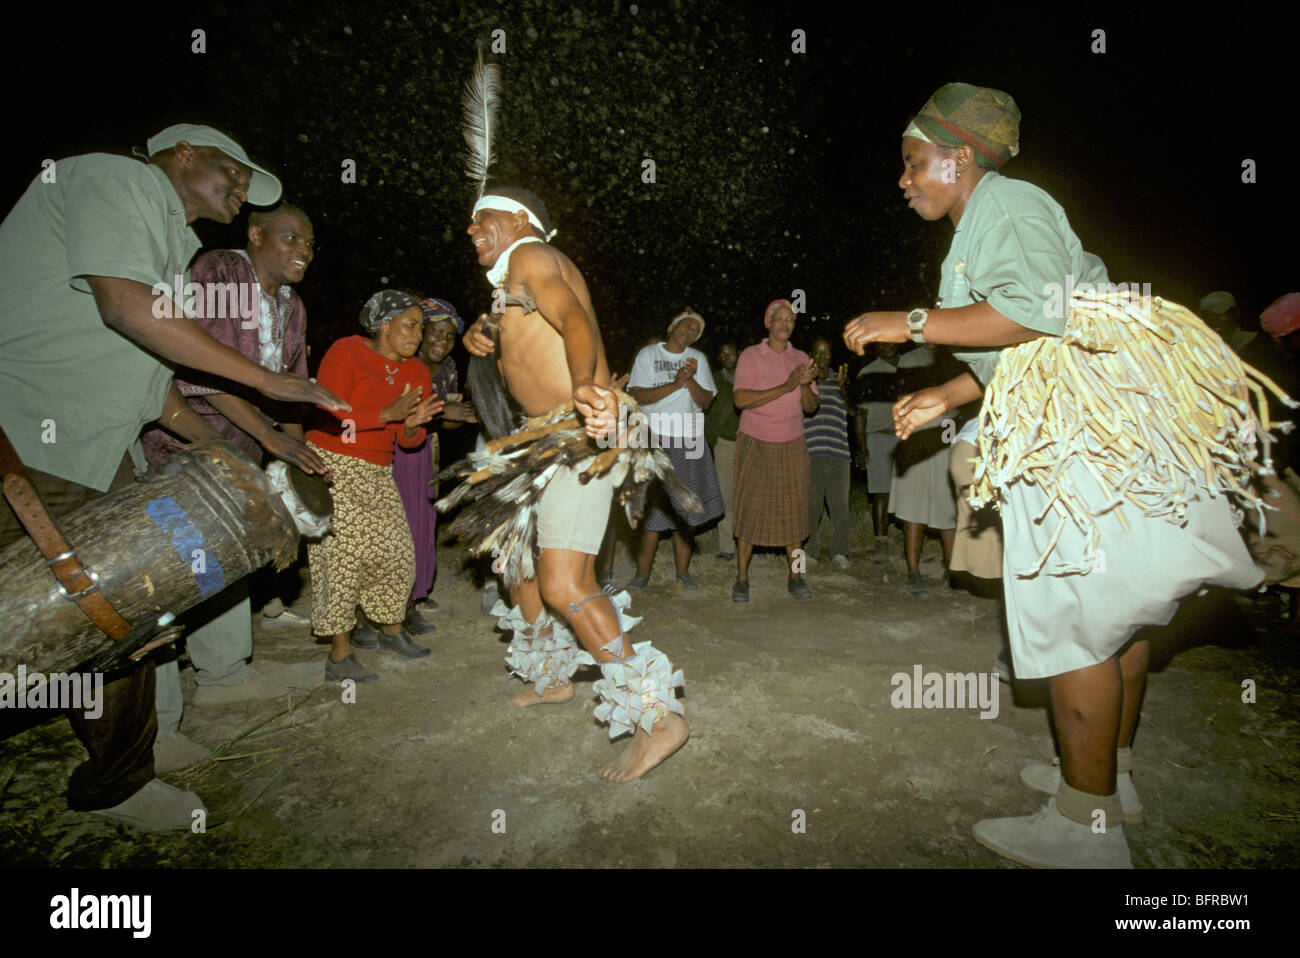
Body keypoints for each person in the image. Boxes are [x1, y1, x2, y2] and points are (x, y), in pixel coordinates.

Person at [843, 82, 1262, 867]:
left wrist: (912, 322)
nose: (902, 180)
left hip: (1074, 438)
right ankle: (1113, 781)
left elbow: (1038, 313)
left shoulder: (1007, 204)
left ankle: (1085, 827)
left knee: (1073, 622)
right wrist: (948, 388)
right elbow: (1029, 340)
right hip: (1095, 417)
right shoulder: (998, 216)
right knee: (1118, 617)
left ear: (957, 157)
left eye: (911, 162)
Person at [0, 123, 345, 831]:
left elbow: (152, 377)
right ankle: (121, 778)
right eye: (235, 173)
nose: (242, 191)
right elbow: (125, 308)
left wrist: (228, 449)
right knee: (89, 609)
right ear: (183, 154)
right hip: (26, 432)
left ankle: (133, 758)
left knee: (131, 599)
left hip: (94, 445)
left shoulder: (173, 243)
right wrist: (271, 386)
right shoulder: (112, 177)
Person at [462, 185, 689, 782]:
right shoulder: (513, 279)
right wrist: (481, 333)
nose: (471, 230)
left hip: (577, 432)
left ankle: (656, 718)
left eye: (482, 219)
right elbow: (521, 333)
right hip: (538, 439)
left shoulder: (533, 257)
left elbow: (573, 319)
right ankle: (552, 678)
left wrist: (587, 385)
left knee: (566, 581)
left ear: (518, 220)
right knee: (518, 562)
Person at [140, 203, 328, 770]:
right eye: (290, 236)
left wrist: (296, 454)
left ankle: (224, 675)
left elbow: (289, 389)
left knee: (223, 562)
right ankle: (154, 728)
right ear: (255, 235)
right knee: (168, 575)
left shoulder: (291, 307)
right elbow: (198, 370)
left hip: (239, 455)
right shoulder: (220, 272)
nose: (303, 249)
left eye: (311, 242)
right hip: (179, 446)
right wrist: (270, 438)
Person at [304, 290, 442, 682]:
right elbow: (329, 413)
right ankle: (339, 654)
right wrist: (387, 413)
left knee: (397, 550)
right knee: (343, 555)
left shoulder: (417, 372)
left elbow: (406, 440)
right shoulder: (346, 351)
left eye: (421, 327)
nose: (418, 334)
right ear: (384, 324)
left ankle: (390, 630)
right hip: (331, 460)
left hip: (379, 467)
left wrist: (413, 426)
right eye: (410, 325)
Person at [389, 297, 477, 635]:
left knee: (424, 520)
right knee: (400, 522)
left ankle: (417, 591)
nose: (442, 341)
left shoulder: (450, 367)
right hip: (396, 445)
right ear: (420, 332)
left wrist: (461, 414)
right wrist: (443, 411)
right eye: (435, 333)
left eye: (449, 336)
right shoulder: (403, 363)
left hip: (429, 445)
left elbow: (450, 426)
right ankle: (397, 601)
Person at [626, 309, 725, 589]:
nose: (690, 331)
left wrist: (690, 379)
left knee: (687, 509)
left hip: (688, 438)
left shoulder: (699, 359)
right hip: (653, 438)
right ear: (672, 326)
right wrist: (675, 383)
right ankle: (642, 575)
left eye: (695, 330)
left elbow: (706, 401)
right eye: (686, 325)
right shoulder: (648, 355)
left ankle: (683, 573)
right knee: (651, 509)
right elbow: (638, 395)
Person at [731, 299, 819, 602]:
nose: (785, 323)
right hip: (755, 440)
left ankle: (796, 575)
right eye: (779, 318)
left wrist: (805, 385)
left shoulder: (802, 357)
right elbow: (741, 399)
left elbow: (811, 407)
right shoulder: (751, 355)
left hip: (792, 441)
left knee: (796, 513)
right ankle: (742, 578)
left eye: (790, 319)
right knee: (749, 509)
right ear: (767, 322)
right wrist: (786, 385)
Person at [887, 345, 958, 596]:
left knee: (948, 508)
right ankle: (913, 571)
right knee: (913, 508)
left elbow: (958, 403)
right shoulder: (910, 359)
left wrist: (952, 440)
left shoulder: (954, 354)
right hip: (916, 438)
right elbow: (903, 397)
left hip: (945, 436)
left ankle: (952, 570)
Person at [803, 338, 853, 569]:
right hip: (811, 452)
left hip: (838, 453)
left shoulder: (840, 380)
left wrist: (843, 388)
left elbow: (852, 411)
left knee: (839, 506)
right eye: (818, 353)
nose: (823, 357)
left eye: (827, 353)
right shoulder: (804, 380)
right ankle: (810, 551)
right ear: (811, 355)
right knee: (811, 506)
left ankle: (840, 552)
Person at [853, 343, 901, 561]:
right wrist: (862, 448)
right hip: (879, 437)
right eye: (882, 342)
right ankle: (881, 543)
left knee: (907, 492)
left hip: (905, 437)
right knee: (881, 493)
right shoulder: (869, 372)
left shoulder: (908, 367)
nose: (887, 346)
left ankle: (907, 542)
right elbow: (860, 414)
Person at [703, 342, 741, 559]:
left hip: (751, 444)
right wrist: (714, 442)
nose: (727, 356)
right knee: (726, 497)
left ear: (739, 353)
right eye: (723, 353)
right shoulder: (715, 380)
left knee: (750, 496)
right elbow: (707, 415)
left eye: (731, 351)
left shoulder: (750, 376)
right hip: (724, 444)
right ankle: (727, 547)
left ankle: (751, 543)